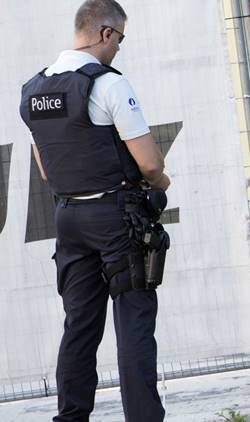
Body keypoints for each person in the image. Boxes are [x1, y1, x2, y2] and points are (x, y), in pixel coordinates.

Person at [19, 1, 170, 421]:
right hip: (116, 218)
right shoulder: (107, 84)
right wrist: (161, 184)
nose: (119, 48)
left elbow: (47, 171)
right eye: (119, 39)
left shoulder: (33, 90)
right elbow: (151, 164)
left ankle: (70, 418)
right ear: (105, 33)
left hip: (68, 219)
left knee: (79, 329)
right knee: (134, 322)